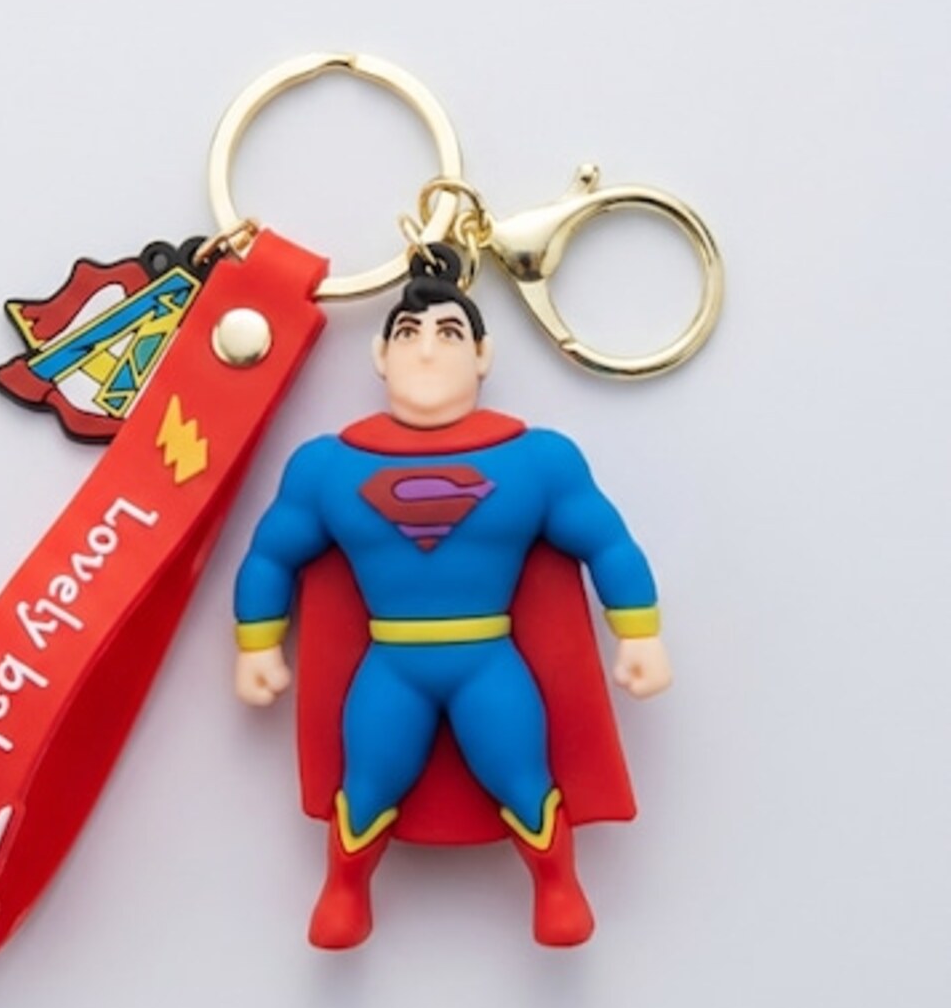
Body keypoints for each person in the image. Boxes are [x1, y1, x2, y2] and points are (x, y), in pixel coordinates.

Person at [234, 244, 671, 949]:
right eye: (408, 333)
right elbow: (272, 554)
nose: (428, 351)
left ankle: (558, 887)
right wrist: (256, 647)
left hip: (486, 659)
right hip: (392, 662)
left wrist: (640, 633)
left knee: (520, 773)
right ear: (380, 355)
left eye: (449, 332)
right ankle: (345, 890)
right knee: (368, 780)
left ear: (483, 354)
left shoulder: (536, 461)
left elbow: (607, 543)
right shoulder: (327, 467)